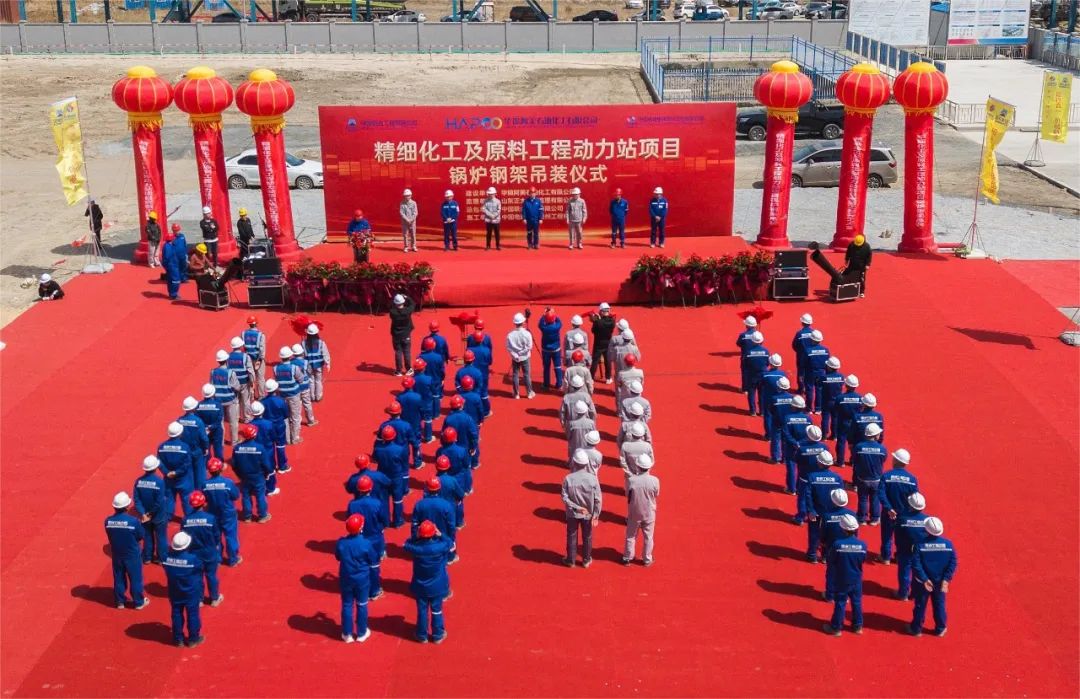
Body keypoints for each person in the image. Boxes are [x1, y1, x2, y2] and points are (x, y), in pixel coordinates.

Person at [404, 520, 453, 643]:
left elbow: (406, 544)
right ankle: (438, 634)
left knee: (422, 610)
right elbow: (450, 543)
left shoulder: (416, 549)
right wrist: (441, 534)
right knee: (437, 610)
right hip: (437, 585)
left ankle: (422, 635)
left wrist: (416, 536)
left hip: (420, 585)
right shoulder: (439, 547)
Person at [910, 517, 957, 637]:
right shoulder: (949, 544)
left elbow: (916, 564)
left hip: (923, 583)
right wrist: (946, 579)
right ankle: (940, 628)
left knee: (920, 605)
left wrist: (924, 579)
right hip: (940, 581)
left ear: (927, 530)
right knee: (939, 604)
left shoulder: (919, 545)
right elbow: (953, 563)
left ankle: (916, 629)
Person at [336, 513, 377, 643]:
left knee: (347, 604)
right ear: (360, 528)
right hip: (362, 579)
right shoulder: (366, 543)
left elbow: (338, 557)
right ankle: (361, 632)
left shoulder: (341, 543)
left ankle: (347, 634)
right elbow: (373, 559)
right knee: (362, 604)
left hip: (346, 578)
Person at [822, 515, 866, 636]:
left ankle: (836, 627)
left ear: (843, 529)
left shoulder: (837, 545)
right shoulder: (863, 545)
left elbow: (831, 560)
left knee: (840, 602)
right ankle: (858, 626)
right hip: (856, 578)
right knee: (857, 602)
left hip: (842, 578)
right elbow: (862, 559)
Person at [105, 491, 148, 610]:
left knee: (119, 577)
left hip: (117, 554)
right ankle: (138, 602)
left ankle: (120, 601)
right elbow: (140, 535)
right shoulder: (133, 521)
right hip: (132, 554)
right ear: (127, 506)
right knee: (135, 578)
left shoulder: (108, 521)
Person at [162, 532, 206, 647]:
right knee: (193, 614)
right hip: (191, 591)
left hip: (174, 590)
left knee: (176, 613)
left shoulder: (166, 557)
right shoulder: (193, 559)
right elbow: (200, 569)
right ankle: (193, 639)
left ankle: (178, 639)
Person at [346, 476, 389, 593]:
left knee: (359, 565)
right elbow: (385, 520)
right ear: (370, 488)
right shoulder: (377, 503)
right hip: (375, 539)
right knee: (374, 565)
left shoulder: (352, 504)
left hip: (359, 539)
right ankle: (374, 590)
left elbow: (349, 520)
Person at [182, 491, 224, 607]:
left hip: (193, 553)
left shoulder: (186, 520)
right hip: (209, 551)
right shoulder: (211, 518)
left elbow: (184, 536)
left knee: (197, 577)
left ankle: (199, 600)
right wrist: (215, 545)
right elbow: (217, 535)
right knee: (211, 575)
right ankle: (214, 598)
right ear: (204, 503)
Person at [802, 451, 844, 561]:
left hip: (816, 511)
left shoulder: (812, 477)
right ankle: (825, 556)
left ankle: (812, 555)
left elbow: (808, 495)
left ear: (819, 463)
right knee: (829, 534)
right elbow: (841, 495)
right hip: (832, 512)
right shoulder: (837, 478)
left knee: (814, 533)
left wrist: (810, 510)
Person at [878, 448, 918, 564]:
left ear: (895, 460)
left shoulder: (886, 476)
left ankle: (885, 557)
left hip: (888, 513)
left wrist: (889, 508)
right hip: (905, 514)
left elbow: (881, 493)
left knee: (886, 536)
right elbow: (915, 497)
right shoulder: (912, 479)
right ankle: (899, 557)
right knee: (902, 537)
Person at [203, 458, 241, 566]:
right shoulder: (228, 482)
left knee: (215, 537)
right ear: (220, 469)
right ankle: (233, 559)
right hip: (228, 513)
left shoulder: (205, 484)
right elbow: (236, 496)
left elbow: (204, 499)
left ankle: (217, 560)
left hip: (212, 514)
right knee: (230, 536)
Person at [231, 424, 272, 523]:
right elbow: (266, 464)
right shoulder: (260, 448)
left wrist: (239, 475)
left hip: (244, 476)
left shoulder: (237, 448)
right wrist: (267, 473)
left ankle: (247, 516)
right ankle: (262, 516)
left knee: (246, 496)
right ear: (254, 435)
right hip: (258, 476)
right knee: (260, 496)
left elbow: (234, 465)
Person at [562, 465, 602, 567]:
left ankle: (571, 560)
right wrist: (596, 514)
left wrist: (577, 508)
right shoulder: (593, 479)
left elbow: (564, 497)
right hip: (588, 514)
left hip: (572, 513)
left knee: (572, 535)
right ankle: (586, 560)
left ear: (575, 463)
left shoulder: (568, 478)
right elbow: (598, 499)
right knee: (587, 536)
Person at [623, 454, 659, 566]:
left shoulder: (631, 480)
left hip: (634, 511)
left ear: (638, 466)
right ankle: (647, 559)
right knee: (648, 536)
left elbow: (627, 494)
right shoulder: (655, 480)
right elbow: (656, 494)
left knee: (631, 535)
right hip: (649, 512)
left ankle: (627, 557)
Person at [895, 492, 931, 600]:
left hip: (905, 550)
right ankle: (915, 594)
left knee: (904, 572)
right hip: (921, 552)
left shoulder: (902, 518)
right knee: (918, 572)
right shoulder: (927, 520)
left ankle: (903, 594)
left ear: (910, 505)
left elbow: (897, 535)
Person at [133, 456, 168, 564]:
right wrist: (151, 513)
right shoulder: (159, 482)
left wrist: (143, 513)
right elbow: (159, 502)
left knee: (147, 536)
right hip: (158, 515)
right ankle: (161, 558)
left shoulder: (138, 481)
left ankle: (147, 557)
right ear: (155, 467)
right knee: (161, 537)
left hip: (145, 516)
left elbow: (137, 500)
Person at [373, 425, 410, 527]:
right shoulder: (400, 449)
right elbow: (404, 464)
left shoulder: (378, 449)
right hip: (396, 477)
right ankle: (398, 521)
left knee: (384, 500)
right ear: (394, 436)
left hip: (382, 477)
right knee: (397, 500)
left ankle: (386, 522)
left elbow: (375, 459)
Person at [412, 478, 458, 562]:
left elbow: (414, 524)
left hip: (425, 541)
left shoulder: (419, 504)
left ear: (427, 489)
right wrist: (451, 540)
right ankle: (450, 558)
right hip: (442, 539)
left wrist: (414, 540)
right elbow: (451, 526)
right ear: (439, 489)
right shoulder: (447, 505)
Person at [852, 423, 887, 524]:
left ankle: (861, 519)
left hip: (862, 478)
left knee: (862, 499)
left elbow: (855, 460)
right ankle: (874, 519)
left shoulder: (859, 447)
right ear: (875, 435)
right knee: (875, 499)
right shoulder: (882, 448)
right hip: (876, 479)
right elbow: (883, 459)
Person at [158, 421, 194, 518]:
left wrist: (167, 472)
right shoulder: (185, 447)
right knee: (186, 499)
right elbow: (187, 464)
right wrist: (177, 472)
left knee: (169, 498)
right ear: (180, 433)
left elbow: (159, 463)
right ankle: (189, 518)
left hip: (168, 478)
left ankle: (168, 518)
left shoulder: (161, 447)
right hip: (183, 479)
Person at [176, 396, 209, 491]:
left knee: (188, 472)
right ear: (194, 408)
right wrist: (206, 447)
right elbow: (203, 437)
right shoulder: (198, 421)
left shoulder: (179, 421)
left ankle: (190, 492)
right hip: (197, 450)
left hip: (184, 451)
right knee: (200, 472)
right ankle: (200, 492)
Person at [780, 395, 812, 494]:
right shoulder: (808, 419)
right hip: (804, 447)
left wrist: (794, 443)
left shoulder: (787, 418)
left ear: (793, 406)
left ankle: (791, 489)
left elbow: (786, 433)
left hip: (791, 447)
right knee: (802, 468)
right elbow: (810, 434)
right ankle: (799, 488)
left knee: (791, 467)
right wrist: (801, 443)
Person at [272, 346, 304, 444]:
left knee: (285, 417)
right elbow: (301, 379)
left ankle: (287, 438)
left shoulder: (275, 368)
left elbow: (276, 380)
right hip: (294, 395)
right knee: (295, 416)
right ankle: (295, 438)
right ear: (290, 356)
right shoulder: (294, 368)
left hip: (281, 395)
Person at [261, 379, 291, 477]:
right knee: (280, 446)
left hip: (267, 426)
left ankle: (272, 466)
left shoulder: (262, 402)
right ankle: (282, 466)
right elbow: (286, 414)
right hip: (279, 426)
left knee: (269, 447)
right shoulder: (280, 401)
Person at [210, 349, 241, 445]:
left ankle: (221, 441)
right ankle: (234, 441)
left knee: (220, 422)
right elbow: (237, 387)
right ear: (226, 360)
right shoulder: (231, 373)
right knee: (233, 421)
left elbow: (211, 386)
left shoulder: (213, 372)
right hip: (230, 400)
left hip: (218, 401)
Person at [833, 374, 863, 465]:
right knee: (854, 442)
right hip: (855, 423)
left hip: (843, 422)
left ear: (846, 385)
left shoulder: (840, 398)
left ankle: (840, 461)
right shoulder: (860, 398)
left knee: (841, 442)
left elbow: (835, 410)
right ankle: (853, 460)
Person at [847, 393, 884, 466]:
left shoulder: (857, 417)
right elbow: (881, 432)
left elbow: (852, 432)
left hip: (859, 445)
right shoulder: (879, 416)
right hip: (874, 445)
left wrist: (850, 442)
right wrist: (879, 443)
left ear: (863, 404)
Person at [505, 312, 535, 399]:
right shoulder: (527, 334)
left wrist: (516, 355)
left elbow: (508, 347)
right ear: (523, 322)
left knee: (515, 374)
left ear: (515, 323)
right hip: (525, 357)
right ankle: (529, 393)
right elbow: (529, 347)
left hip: (515, 358)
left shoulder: (510, 335)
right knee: (526, 375)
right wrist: (521, 353)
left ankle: (516, 394)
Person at [227, 337, 256, 422]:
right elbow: (250, 371)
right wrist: (252, 381)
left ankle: (235, 418)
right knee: (246, 400)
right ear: (240, 346)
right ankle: (247, 417)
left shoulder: (228, 357)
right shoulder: (245, 356)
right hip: (244, 382)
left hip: (233, 382)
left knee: (236, 401)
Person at [434, 455, 467, 530]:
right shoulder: (452, 480)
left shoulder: (433, 480)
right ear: (448, 467)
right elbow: (461, 494)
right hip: (450, 506)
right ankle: (459, 523)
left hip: (437, 508)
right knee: (459, 502)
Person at [302, 323, 331, 403]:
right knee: (318, 381)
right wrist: (328, 363)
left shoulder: (303, 343)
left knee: (311, 381)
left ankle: (312, 396)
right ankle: (318, 396)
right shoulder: (321, 343)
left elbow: (302, 355)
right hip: (318, 365)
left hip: (309, 366)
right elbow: (325, 353)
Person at [389, 294, 417, 377]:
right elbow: (413, 304)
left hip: (396, 335)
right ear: (403, 302)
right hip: (406, 334)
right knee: (407, 352)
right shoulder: (407, 311)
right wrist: (407, 297)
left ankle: (398, 370)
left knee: (398, 352)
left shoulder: (392, 312)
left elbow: (391, 305)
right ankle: (408, 369)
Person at [804, 330, 831, 414]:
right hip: (822, 372)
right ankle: (818, 409)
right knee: (819, 390)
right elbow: (828, 362)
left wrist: (802, 373)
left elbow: (803, 362)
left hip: (810, 372)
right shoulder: (826, 350)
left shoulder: (808, 350)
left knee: (809, 390)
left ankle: (809, 408)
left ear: (812, 339)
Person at [744, 331, 771, 416]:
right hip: (763, 375)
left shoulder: (748, 352)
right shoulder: (766, 351)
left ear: (752, 341)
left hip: (752, 376)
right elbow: (768, 363)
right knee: (762, 394)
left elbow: (746, 365)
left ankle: (752, 411)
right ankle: (762, 411)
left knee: (751, 394)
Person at [290, 342, 316, 427]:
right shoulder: (305, 362)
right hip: (305, 386)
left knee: (297, 405)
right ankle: (310, 420)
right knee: (307, 403)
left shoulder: (290, 363)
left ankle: (297, 422)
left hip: (295, 387)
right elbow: (310, 372)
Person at [589, 303, 616, 383]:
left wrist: (596, 320)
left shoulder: (598, 322)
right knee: (607, 361)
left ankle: (591, 378)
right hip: (608, 343)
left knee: (595, 361)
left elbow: (593, 331)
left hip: (598, 344)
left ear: (601, 311)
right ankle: (608, 378)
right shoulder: (612, 321)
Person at [538, 308, 563, 391]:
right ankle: (559, 384)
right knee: (558, 367)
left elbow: (540, 323)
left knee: (546, 367)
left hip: (546, 350)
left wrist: (544, 314)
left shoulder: (544, 328)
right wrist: (553, 313)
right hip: (556, 350)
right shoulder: (557, 326)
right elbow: (559, 321)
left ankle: (546, 384)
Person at [819, 356, 845, 439]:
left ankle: (824, 435)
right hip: (837, 401)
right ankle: (834, 435)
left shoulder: (824, 377)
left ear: (829, 367)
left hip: (826, 401)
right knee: (835, 418)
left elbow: (818, 384)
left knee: (825, 418)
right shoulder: (841, 377)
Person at [242, 315, 267, 397]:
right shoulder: (261, 335)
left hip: (247, 359)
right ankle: (261, 396)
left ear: (249, 324)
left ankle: (251, 395)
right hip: (258, 359)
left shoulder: (243, 334)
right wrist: (261, 359)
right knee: (260, 378)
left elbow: (243, 347)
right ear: (256, 323)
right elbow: (262, 349)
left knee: (250, 377)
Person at [791, 313, 815, 394]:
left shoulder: (799, 333)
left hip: (801, 357)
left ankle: (801, 389)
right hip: (812, 357)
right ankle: (809, 389)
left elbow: (794, 345)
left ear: (802, 322)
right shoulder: (814, 333)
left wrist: (800, 352)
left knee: (801, 373)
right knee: (810, 371)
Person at [737, 316, 759, 398]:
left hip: (745, 357)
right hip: (756, 356)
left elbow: (738, 343)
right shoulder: (758, 334)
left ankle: (745, 389)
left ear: (747, 325)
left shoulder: (743, 335)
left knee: (745, 373)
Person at [161, 229, 183, 299]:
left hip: (173, 265)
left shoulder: (169, 245)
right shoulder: (168, 247)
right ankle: (173, 294)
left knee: (171, 279)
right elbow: (167, 257)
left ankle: (172, 293)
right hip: (172, 265)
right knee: (175, 280)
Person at [399, 189, 418, 253]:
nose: (407, 197)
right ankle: (406, 247)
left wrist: (411, 220)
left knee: (413, 234)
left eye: (408, 195)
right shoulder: (402, 203)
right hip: (405, 222)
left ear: (411, 195)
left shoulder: (414, 203)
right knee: (405, 235)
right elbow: (401, 213)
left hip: (412, 222)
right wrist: (407, 220)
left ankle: (413, 246)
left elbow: (415, 213)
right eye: (406, 196)